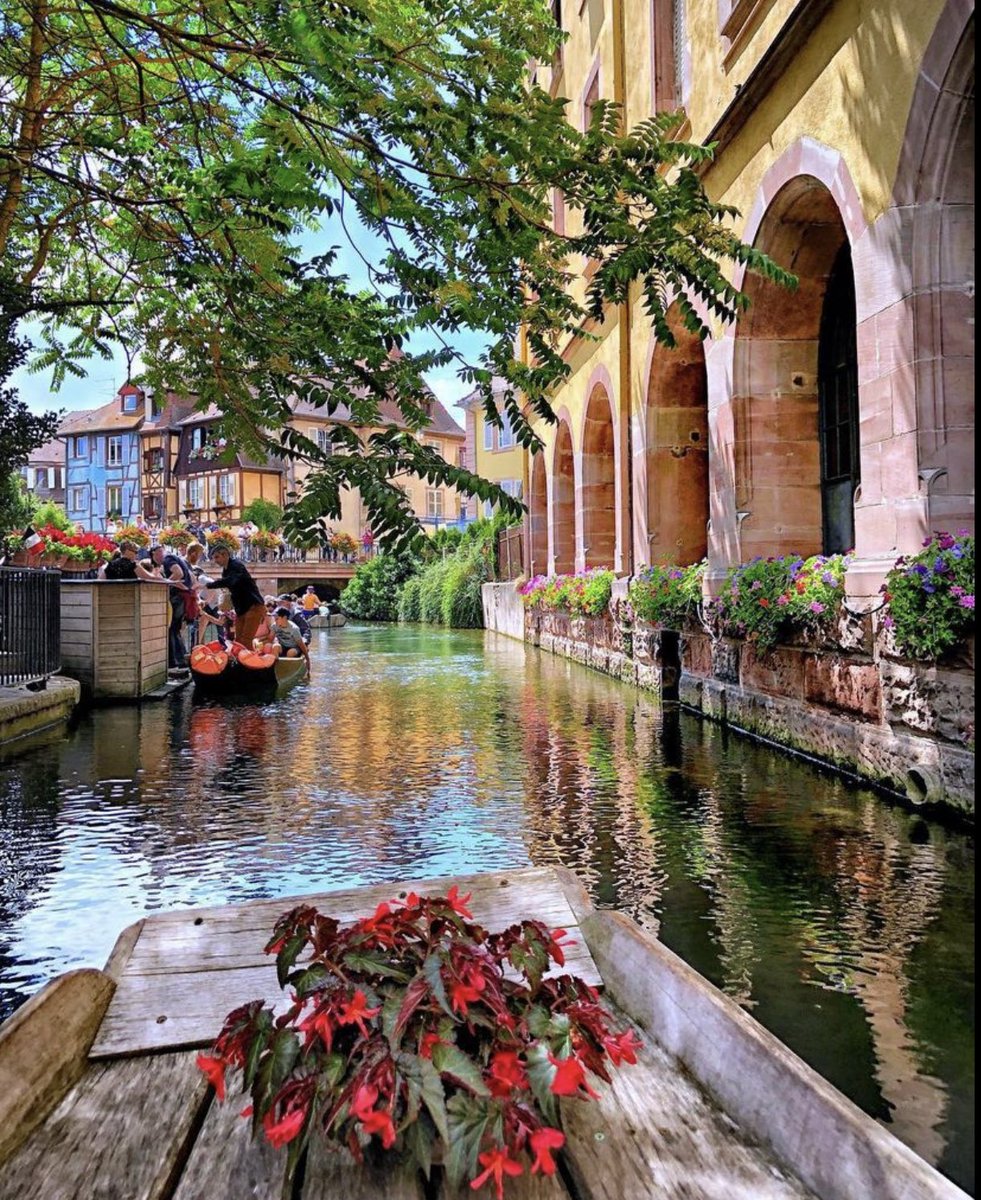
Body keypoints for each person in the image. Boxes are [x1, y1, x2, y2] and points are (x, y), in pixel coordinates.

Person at [206, 545, 266, 649]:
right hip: (241, 609)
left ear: (225, 555)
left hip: (253, 606)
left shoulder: (236, 565)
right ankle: (243, 663)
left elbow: (231, 581)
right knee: (238, 642)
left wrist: (208, 585)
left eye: (216, 557)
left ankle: (249, 664)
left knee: (245, 641)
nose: (215, 561)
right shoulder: (225, 571)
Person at [162, 544, 194, 669]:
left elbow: (178, 574)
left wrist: (166, 584)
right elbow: (191, 579)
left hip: (176, 598)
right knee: (176, 629)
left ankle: (175, 661)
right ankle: (181, 660)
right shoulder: (180, 560)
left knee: (172, 629)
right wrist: (185, 588)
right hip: (183, 598)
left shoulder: (168, 559)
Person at [98, 540, 169, 582]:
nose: (137, 555)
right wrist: (167, 581)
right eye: (135, 552)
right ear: (128, 551)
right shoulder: (132, 565)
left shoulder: (111, 565)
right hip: (129, 599)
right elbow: (150, 578)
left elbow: (100, 580)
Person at [267, 606, 311, 674]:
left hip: (294, 647)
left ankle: (288, 670)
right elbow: (270, 640)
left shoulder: (294, 629)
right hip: (283, 646)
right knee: (275, 646)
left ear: (284, 618)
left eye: (277, 619)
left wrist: (307, 659)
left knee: (290, 652)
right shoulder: (274, 626)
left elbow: (301, 644)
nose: (275, 620)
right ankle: (276, 669)